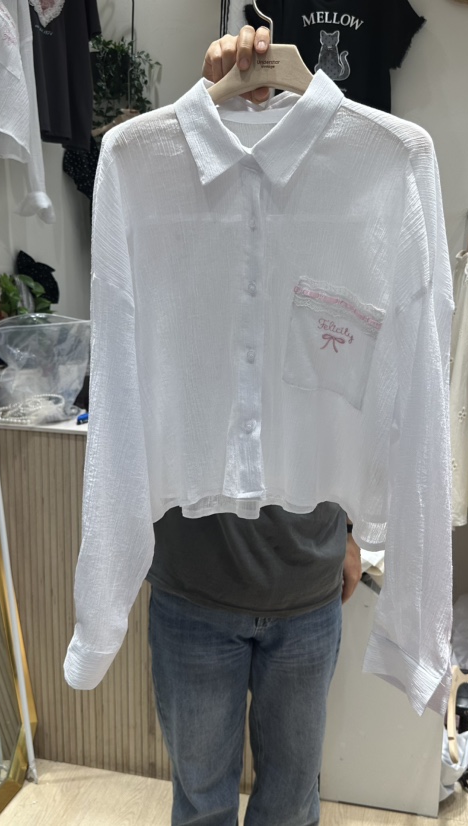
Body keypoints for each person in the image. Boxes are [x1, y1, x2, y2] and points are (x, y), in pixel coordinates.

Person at [145, 28, 363, 826]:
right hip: (194, 583)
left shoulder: (338, 208)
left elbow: (349, 390)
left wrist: (355, 530)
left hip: (307, 583)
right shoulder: (175, 203)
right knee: (201, 804)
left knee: (291, 804)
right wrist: (196, 112)